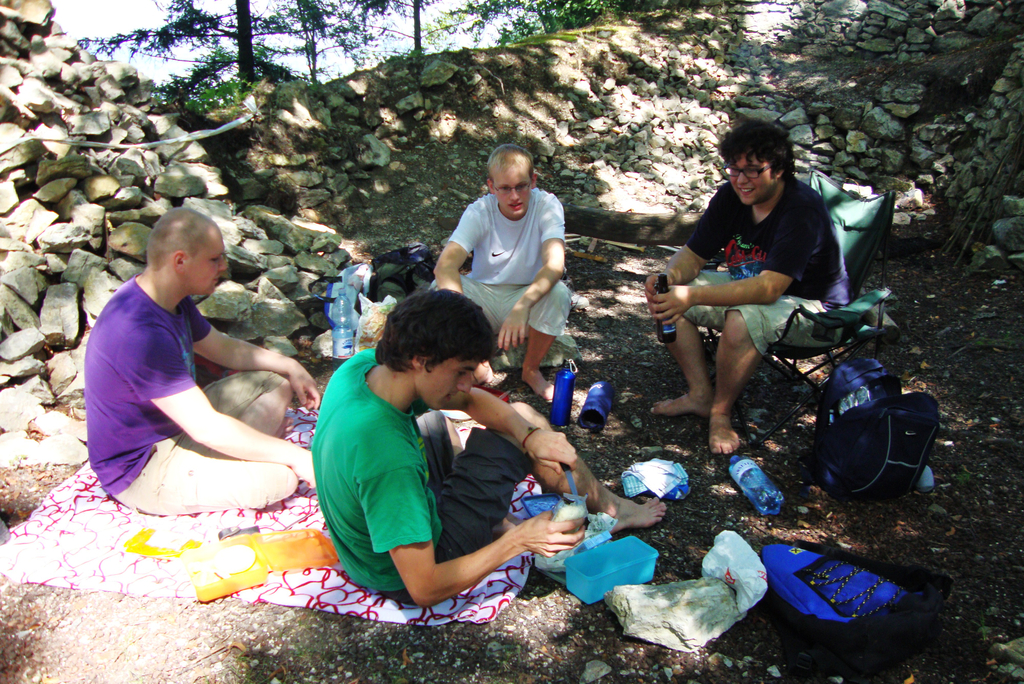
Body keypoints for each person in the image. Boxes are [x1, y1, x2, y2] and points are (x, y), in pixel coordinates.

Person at [312, 289, 665, 607]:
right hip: (406, 575)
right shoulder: (389, 458)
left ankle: (502, 518)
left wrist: (530, 437)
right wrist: (519, 541)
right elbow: (424, 588)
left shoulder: (363, 369)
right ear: (421, 358)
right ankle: (611, 511)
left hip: (365, 553)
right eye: (461, 371)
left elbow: (470, 400)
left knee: (501, 422)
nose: (469, 384)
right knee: (519, 421)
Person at [84, 207, 321, 515]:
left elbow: (223, 348)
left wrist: (291, 366)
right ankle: (246, 454)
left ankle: (241, 453)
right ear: (180, 261)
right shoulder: (138, 332)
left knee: (273, 381)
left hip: (179, 428)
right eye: (214, 259)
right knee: (280, 479)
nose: (224, 267)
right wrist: (296, 456)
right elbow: (206, 428)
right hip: (142, 468)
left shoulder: (170, 297)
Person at [646, 120, 851, 455]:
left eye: (753, 170)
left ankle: (720, 413)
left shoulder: (801, 208)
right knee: (668, 295)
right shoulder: (731, 197)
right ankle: (700, 395)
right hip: (753, 284)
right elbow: (693, 255)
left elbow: (769, 289)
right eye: (734, 169)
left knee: (742, 317)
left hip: (814, 309)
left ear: (779, 169)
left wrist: (692, 295)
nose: (741, 180)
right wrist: (668, 279)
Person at [434, 143, 571, 401]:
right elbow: (445, 266)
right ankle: (475, 360)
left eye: (521, 186)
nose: (514, 196)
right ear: (491, 186)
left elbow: (555, 264)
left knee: (560, 293)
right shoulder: (480, 211)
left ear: (533, 181)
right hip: (482, 299)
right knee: (437, 292)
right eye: (505, 188)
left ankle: (530, 370)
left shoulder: (546, 205)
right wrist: (465, 319)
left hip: (526, 297)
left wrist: (522, 306)